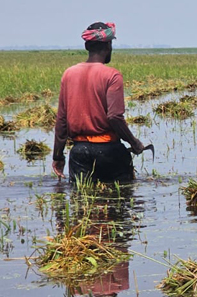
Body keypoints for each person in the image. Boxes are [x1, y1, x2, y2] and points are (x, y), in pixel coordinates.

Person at [52, 22, 145, 183]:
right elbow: (115, 117)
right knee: (120, 199)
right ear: (108, 45)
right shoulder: (112, 76)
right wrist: (134, 142)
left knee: (82, 203)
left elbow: (61, 120)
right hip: (109, 151)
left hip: (79, 152)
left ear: (87, 46)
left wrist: (58, 156)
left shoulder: (69, 74)